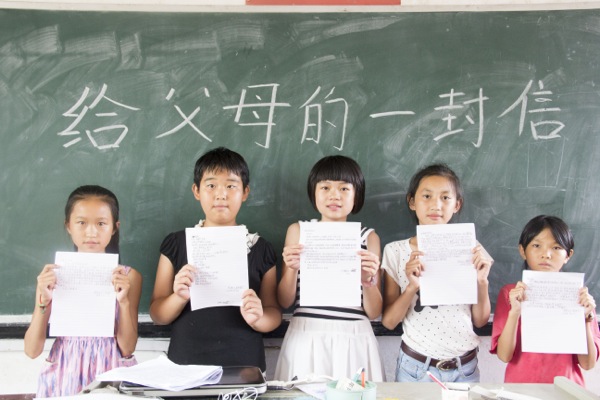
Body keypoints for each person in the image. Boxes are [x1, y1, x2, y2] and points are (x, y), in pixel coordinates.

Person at [149, 147, 281, 371]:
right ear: (196, 191)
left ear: (245, 192)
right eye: (211, 185)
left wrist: (258, 318)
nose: (221, 194)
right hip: (185, 365)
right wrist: (179, 297)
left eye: (231, 186)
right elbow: (158, 315)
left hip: (244, 365)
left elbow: (273, 313)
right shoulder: (177, 244)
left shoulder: (261, 249)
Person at [24, 185, 142, 398]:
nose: (91, 232)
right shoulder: (52, 276)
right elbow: (32, 350)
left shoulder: (129, 276)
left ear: (114, 227)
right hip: (64, 371)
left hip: (110, 372)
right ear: (68, 226)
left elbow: (127, 348)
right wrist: (44, 301)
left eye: (101, 223)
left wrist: (123, 303)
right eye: (81, 223)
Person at [274, 155, 384, 382]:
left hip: (354, 338)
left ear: (356, 195)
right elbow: (285, 301)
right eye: (325, 187)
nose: (335, 195)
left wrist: (368, 282)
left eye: (344, 188)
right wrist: (291, 269)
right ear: (313, 193)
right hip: (307, 335)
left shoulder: (369, 238)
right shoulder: (298, 231)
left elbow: (374, 312)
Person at [381, 163, 493, 383]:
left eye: (445, 197)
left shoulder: (472, 249)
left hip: (464, 368)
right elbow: (389, 322)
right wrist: (412, 287)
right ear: (412, 202)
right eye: (427, 196)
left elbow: (480, 321)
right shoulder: (396, 251)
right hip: (415, 368)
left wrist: (482, 282)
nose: (436, 205)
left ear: (457, 204)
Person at [491, 215, 600, 386]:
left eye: (556, 247)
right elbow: (504, 356)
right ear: (522, 251)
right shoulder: (510, 294)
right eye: (536, 245)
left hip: (566, 389)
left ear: (568, 255)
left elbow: (588, 364)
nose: (546, 255)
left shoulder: (580, 296)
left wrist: (586, 321)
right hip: (521, 389)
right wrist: (515, 312)